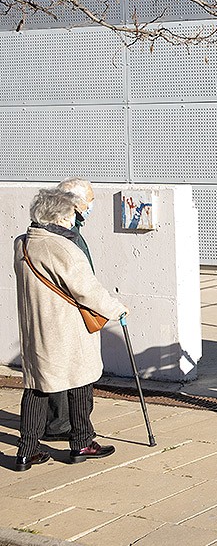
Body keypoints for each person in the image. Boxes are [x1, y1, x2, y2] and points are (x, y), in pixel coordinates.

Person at [13, 189, 127, 471]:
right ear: (58, 216)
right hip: (66, 328)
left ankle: (27, 451)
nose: (71, 220)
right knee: (80, 380)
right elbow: (87, 290)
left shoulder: (23, 243)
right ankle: (82, 442)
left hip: (36, 327)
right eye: (68, 215)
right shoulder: (62, 248)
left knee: (38, 387)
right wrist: (116, 309)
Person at [37, 178, 97, 443]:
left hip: (68, 308)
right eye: (89, 201)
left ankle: (64, 424)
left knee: (66, 370)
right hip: (67, 310)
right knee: (70, 371)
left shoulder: (72, 227)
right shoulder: (62, 234)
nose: (91, 206)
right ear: (74, 203)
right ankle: (64, 427)